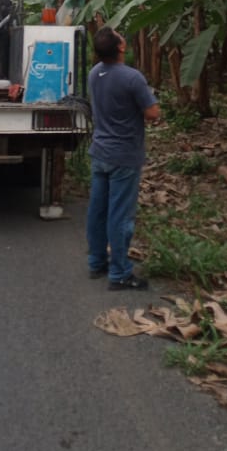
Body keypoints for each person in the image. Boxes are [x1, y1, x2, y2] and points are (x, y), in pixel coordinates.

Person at [86, 26, 160, 290]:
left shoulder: (94, 73)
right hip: (124, 155)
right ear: (120, 47)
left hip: (100, 151)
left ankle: (97, 262)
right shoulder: (132, 78)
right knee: (120, 216)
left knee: (98, 210)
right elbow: (152, 113)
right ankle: (119, 274)